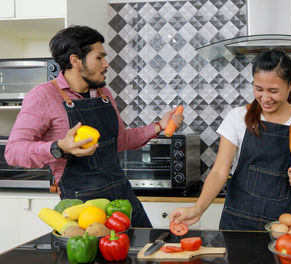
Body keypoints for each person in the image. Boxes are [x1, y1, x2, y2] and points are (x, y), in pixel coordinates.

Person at [5, 25, 183, 227]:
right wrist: (59, 147)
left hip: (122, 200)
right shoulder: (43, 96)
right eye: (99, 58)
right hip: (84, 210)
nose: (106, 64)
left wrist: (159, 126)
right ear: (76, 61)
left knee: (146, 253)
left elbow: (121, 140)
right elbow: (13, 152)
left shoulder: (103, 94)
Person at [169, 49, 291, 230]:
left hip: (285, 226)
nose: (265, 98)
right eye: (259, 89)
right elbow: (219, 172)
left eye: (273, 91)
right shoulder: (238, 117)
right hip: (237, 220)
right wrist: (198, 208)